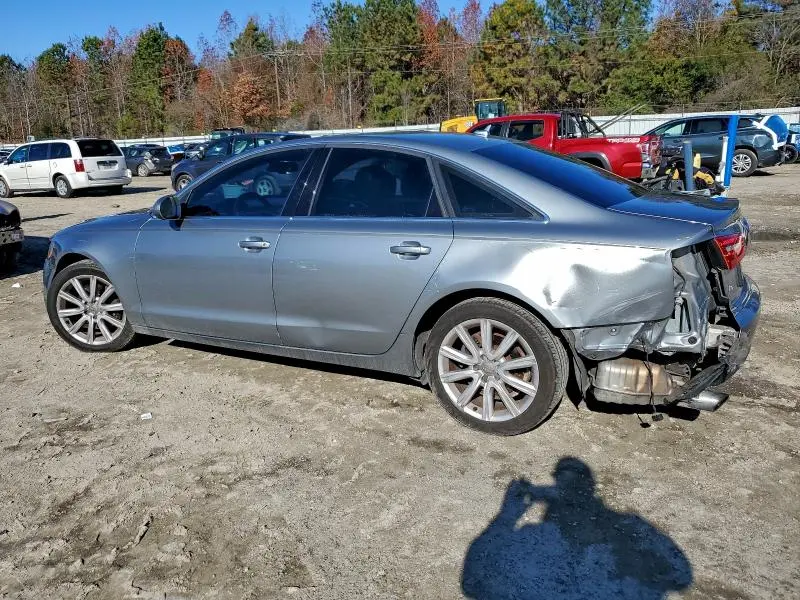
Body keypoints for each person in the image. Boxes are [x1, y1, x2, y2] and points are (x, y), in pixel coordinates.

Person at [462, 457, 693, 599]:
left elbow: (473, 581)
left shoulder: (534, 541)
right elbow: (681, 575)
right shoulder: (629, 531)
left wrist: (507, 515)